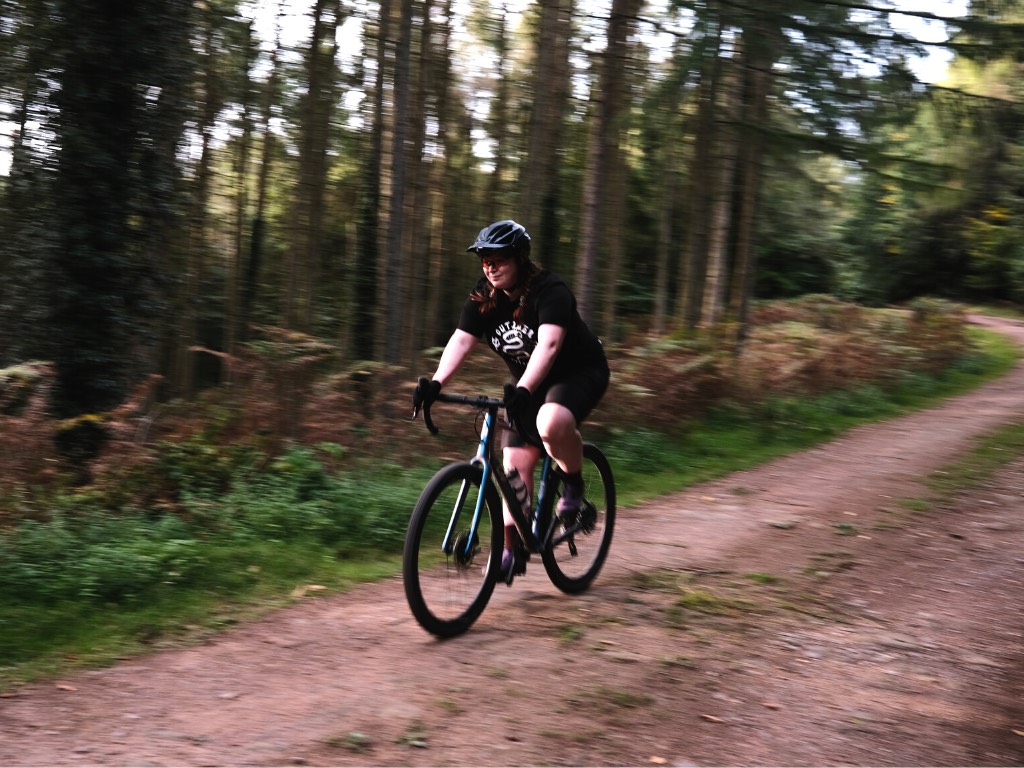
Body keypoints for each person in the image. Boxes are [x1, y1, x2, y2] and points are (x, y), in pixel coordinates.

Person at [412, 220, 610, 583]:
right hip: (528, 384)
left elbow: (549, 346)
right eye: (485, 260)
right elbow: (461, 340)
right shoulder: (484, 297)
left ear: (520, 258)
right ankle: (511, 548)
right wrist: (436, 383)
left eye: (499, 259)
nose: (490, 266)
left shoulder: (550, 291)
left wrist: (524, 390)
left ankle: (573, 481)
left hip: (579, 372)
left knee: (550, 423)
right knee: (514, 464)